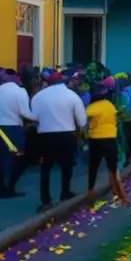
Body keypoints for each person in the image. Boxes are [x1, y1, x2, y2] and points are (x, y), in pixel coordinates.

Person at [30, 70, 87, 212]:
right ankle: (65, 192)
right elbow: (82, 121)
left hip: (44, 136)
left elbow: (33, 118)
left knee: (45, 168)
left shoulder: (38, 96)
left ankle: (45, 200)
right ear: (63, 82)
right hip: (66, 134)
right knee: (67, 166)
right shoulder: (71, 95)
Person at [0, 70, 34, 198]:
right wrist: (39, 118)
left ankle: (1, 187)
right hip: (12, 129)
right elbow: (25, 113)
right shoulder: (20, 92)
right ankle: (9, 188)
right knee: (18, 159)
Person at [85, 82, 130, 207]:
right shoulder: (110, 105)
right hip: (110, 138)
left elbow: (83, 121)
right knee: (113, 167)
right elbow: (115, 119)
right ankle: (121, 194)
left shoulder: (90, 108)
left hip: (95, 139)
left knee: (93, 168)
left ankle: (89, 194)